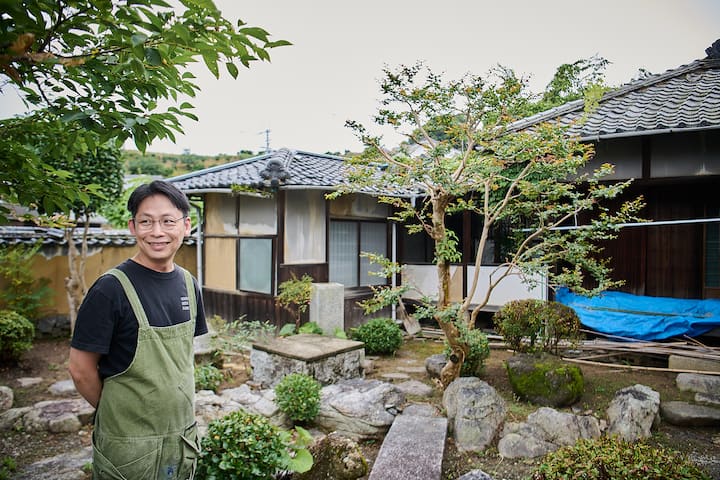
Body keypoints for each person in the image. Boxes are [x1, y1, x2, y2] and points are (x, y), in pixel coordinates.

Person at [69, 180, 207, 480]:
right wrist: (120, 416)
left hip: (180, 440)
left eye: (167, 221)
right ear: (133, 227)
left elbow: (181, 360)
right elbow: (81, 370)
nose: (157, 232)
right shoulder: (110, 289)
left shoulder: (188, 284)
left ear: (186, 225)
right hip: (128, 450)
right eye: (146, 222)